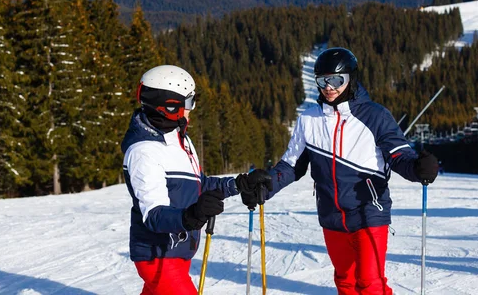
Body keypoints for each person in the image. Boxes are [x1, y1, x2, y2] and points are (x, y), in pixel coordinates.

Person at [239, 48, 439, 295]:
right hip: (331, 215)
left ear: (351, 79)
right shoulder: (308, 120)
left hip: (369, 212)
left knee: (369, 283)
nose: (329, 87)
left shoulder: (375, 116)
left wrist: (418, 168)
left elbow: (399, 155)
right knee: (345, 281)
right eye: (322, 80)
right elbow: (291, 166)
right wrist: (266, 185)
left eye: (336, 80)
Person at [121, 65, 270, 295]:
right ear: (170, 106)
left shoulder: (180, 140)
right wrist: (191, 216)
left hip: (178, 250)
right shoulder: (144, 151)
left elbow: (200, 185)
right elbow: (153, 214)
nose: (193, 109)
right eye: (189, 102)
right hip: (158, 255)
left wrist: (239, 184)